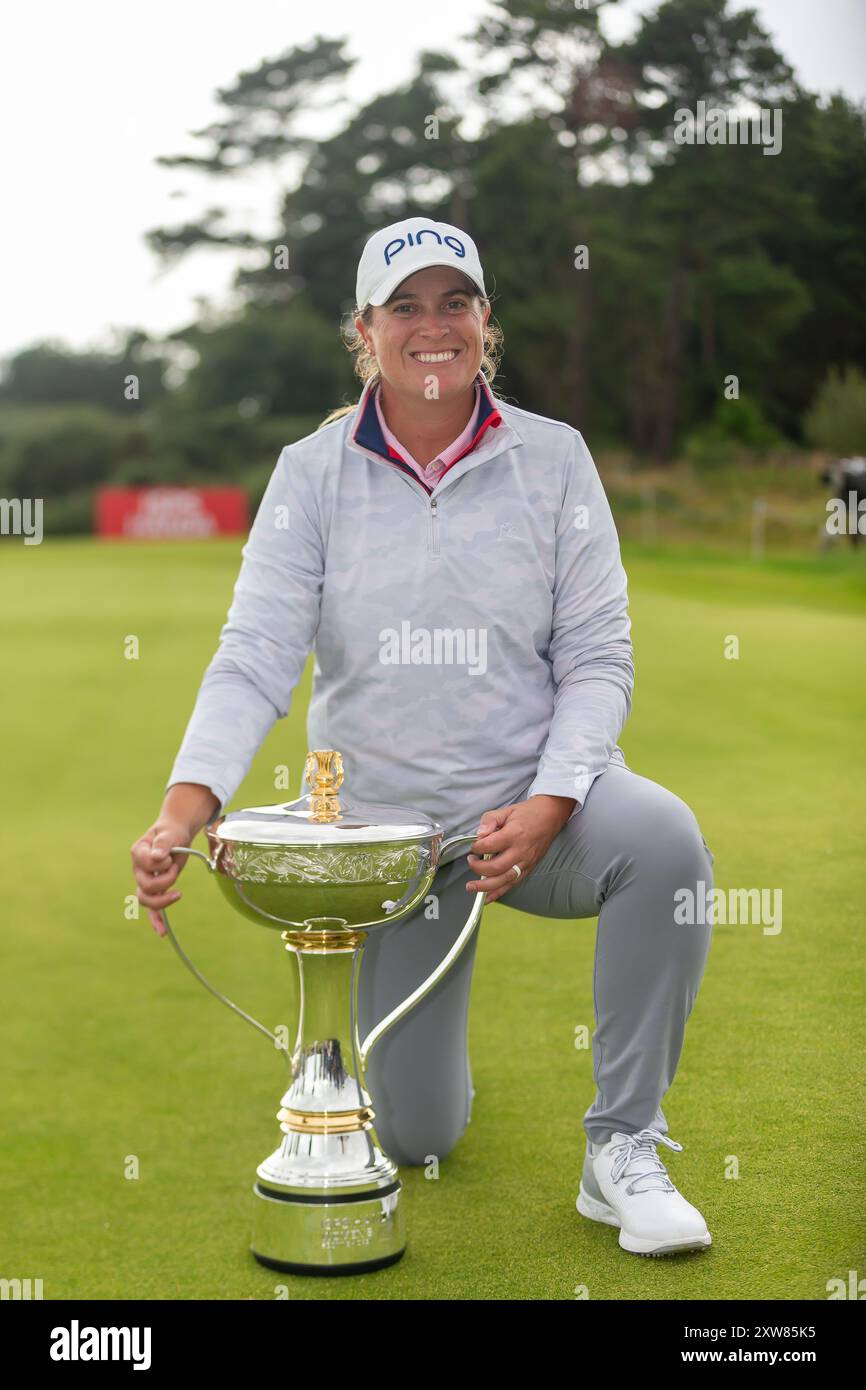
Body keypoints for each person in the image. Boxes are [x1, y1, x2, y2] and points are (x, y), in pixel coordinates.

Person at [130, 216, 716, 1259]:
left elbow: (595, 658)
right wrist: (186, 808)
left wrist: (550, 801)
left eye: (455, 303)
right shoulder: (310, 471)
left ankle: (621, 1145)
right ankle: (434, 1077)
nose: (432, 325)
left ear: (485, 323)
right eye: (406, 306)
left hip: (535, 808)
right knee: (416, 1131)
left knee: (665, 841)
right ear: (365, 329)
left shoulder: (555, 458)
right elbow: (256, 651)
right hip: (389, 848)